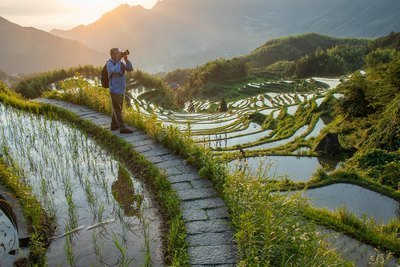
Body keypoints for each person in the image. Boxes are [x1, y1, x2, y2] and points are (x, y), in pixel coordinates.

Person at [107, 48, 134, 134]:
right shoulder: (109, 64)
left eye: (119, 53)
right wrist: (119, 61)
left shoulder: (121, 63)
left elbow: (130, 68)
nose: (119, 54)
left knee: (118, 109)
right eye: (118, 53)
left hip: (121, 89)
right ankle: (122, 128)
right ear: (113, 55)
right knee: (117, 109)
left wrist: (126, 60)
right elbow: (116, 70)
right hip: (114, 90)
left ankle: (113, 125)